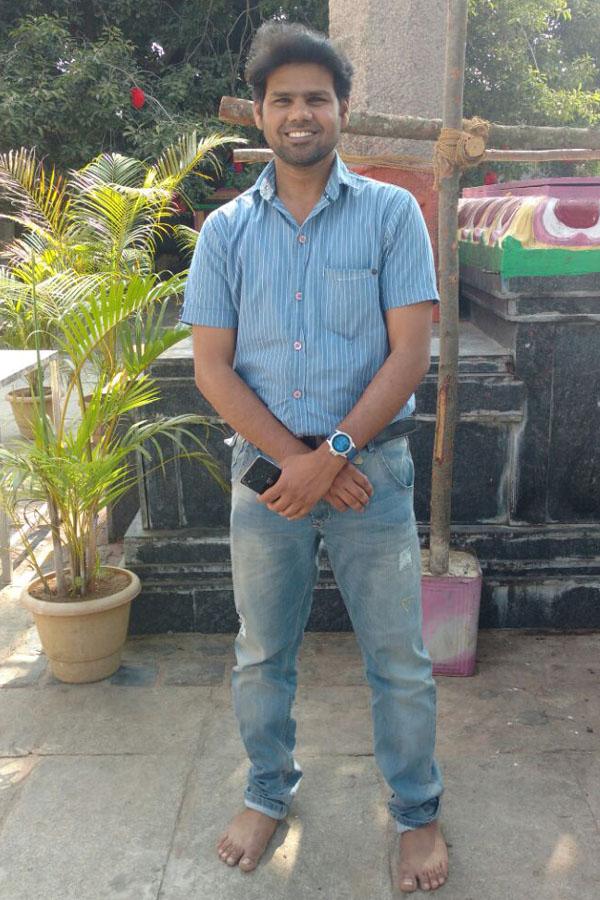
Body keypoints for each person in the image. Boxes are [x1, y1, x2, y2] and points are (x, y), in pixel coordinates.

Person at [181, 20, 448, 894]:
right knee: (262, 654)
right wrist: (298, 467)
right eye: (284, 99)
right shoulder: (225, 232)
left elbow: (408, 354)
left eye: (317, 99)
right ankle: (266, 792)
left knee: (399, 659)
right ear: (260, 112)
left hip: (375, 475)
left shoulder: (391, 214)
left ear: (342, 110)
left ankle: (416, 810)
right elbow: (212, 369)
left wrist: (330, 455)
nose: (301, 114)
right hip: (267, 484)